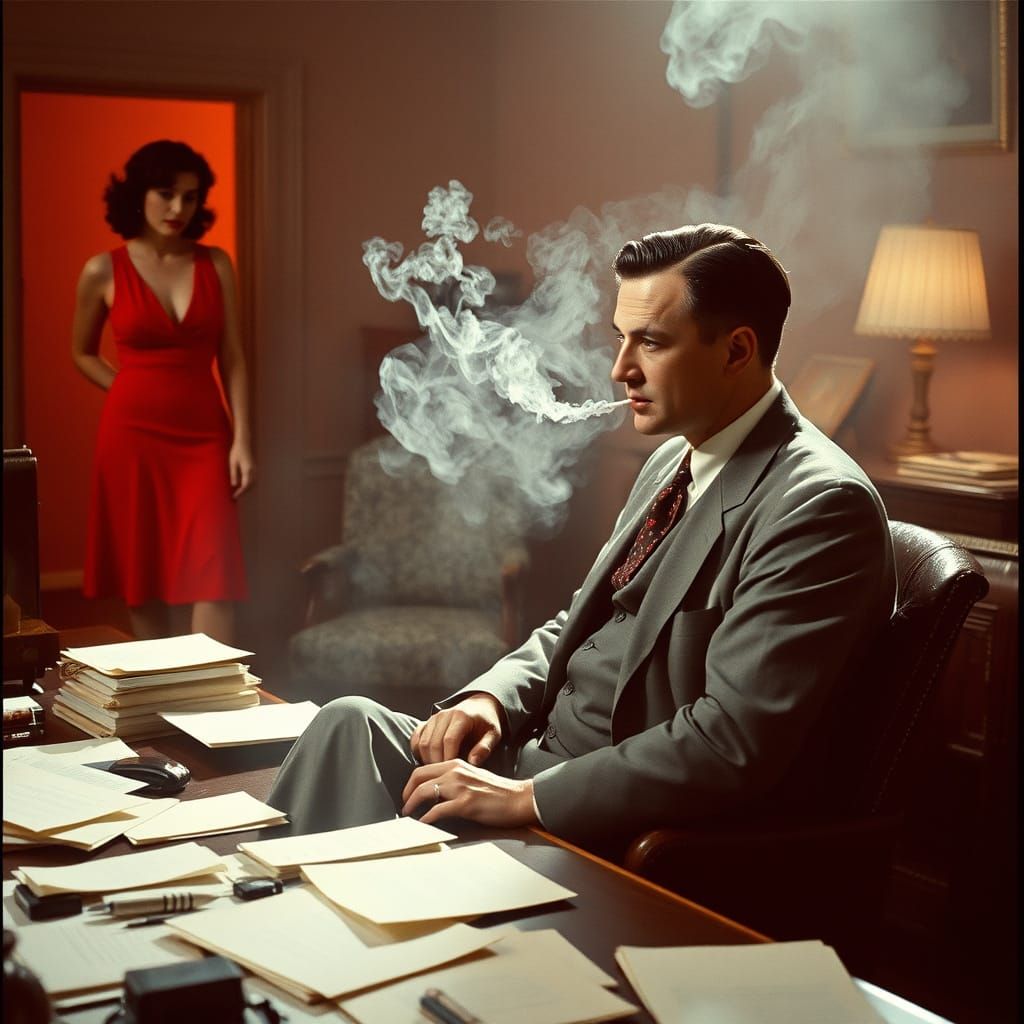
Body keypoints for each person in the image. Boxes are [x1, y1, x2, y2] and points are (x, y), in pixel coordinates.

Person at [269, 223, 897, 854]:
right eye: (622, 339)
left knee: (345, 842)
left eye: (650, 343)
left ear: (736, 351)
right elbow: (583, 624)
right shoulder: (670, 463)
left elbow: (730, 741)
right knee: (347, 722)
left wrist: (529, 800)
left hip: (599, 815)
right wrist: (492, 699)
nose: (621, 368)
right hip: (527, 761)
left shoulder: (817, 506)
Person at [72, 140, 252, 644]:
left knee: (215, 576)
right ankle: (159, 711)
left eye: (190, 198)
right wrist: (127, 386)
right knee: (143, 577)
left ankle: (215, 710)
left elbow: (233, 357)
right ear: (138, 194)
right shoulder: (101, 270)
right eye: (166, 193)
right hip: (131, 439)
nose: (178, 209)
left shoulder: (215, 263)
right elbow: (81, 352)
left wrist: (243, 440)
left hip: (204, 437)